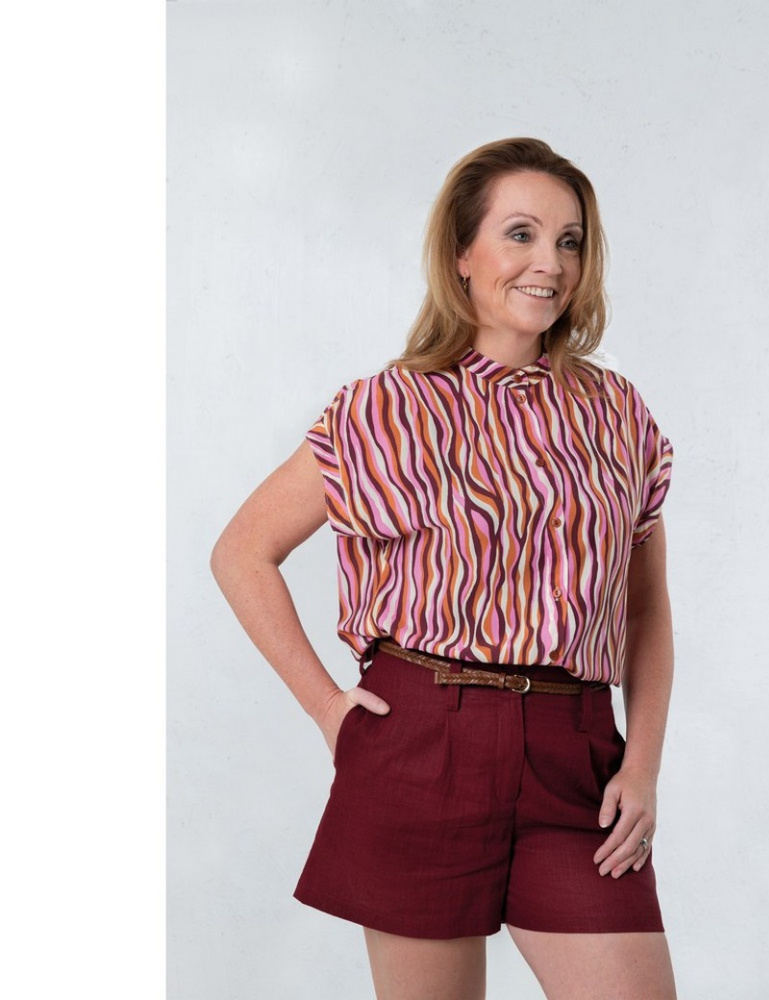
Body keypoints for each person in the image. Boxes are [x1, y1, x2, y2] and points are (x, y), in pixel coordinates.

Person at [211, 137, 678, 1000]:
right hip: (420, 741)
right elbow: (242, 551)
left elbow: (644, 611)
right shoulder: (384, 410)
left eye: (570, 241)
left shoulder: (617, 415)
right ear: (462, 253)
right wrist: (327, 708)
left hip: (576, 758)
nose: (549, 263)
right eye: (521, 234)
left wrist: (642, 764)